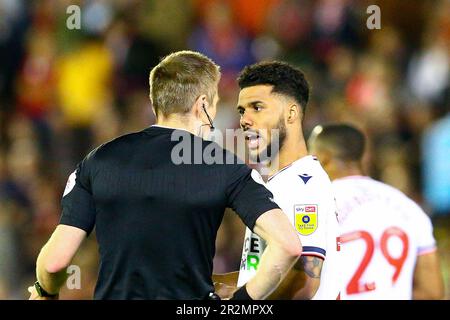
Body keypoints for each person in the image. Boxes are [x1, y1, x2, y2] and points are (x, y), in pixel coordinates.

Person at [27, 51, 302, 300]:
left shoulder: (98, 160)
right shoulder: (226, 166)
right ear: (202, 105)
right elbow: (287, 246)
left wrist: (45, 292)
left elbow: (55, 262)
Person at [213, 61, 340, 300]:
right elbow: (258, 278)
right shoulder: (281, 182)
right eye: (242, 111)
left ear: (291, 113)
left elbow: (304, 283)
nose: (244, 120)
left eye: (257, 108)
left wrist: (241, 304)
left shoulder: (303, 184)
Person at [308, 123, 445, 300]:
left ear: (323, 158)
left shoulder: (314, 207)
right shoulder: (408, 206)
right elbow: (431, 292)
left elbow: (303, 282)